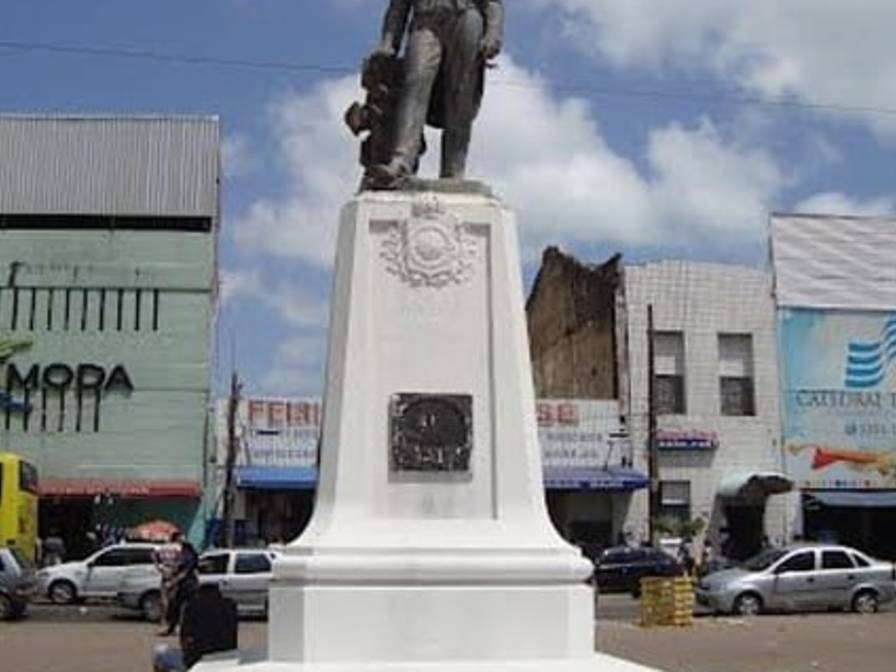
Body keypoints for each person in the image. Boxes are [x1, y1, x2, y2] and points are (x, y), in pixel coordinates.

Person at [368, 0, 504, 187]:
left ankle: (453, 170)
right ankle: (401, 161)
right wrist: (389, 43)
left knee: (461, 94)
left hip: (465, 16)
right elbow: (398, 6)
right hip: (425, 21)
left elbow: (492, 2)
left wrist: (493, 33)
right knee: (414, 84)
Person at [152, 583, 238, 671]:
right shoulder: (230, 605)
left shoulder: (191, 605)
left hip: (198, 661)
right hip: (227, 660)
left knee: (160, 652)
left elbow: (184, 637)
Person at [160, 532, 199, 636]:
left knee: (186, 608)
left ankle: (187, 630)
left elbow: (185, 572)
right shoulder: (181, 555)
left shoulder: (188, 555)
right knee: (175, 607)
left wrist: (172, 582)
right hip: (182, 585)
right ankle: (172, 628)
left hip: (188, 585)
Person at [153, 532, 182, 630]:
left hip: (164, 573)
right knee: (174, 598)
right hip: (174, 574)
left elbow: (153, 555)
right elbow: (181, 559)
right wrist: (176, 567)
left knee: (164, 598)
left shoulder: (163, 547)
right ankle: (172, 620)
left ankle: (163, 620)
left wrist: (158, 566)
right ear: (177, 538)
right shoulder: (178, 548)